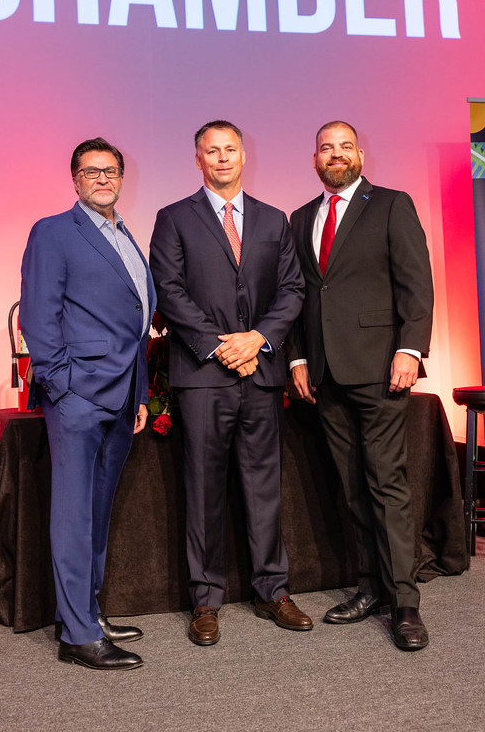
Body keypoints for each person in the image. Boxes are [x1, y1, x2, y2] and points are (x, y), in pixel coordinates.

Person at [149, 121, 312, 645]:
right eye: (212, 151)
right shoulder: (173, 218)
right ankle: (205, 599)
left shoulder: (273, 219)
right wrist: (221, 346)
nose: (222, 158)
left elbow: (292, 289)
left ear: (244, 156)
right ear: (197, 160)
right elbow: (169, 290)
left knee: (265, 488)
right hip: (203, 377)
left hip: (260, 375)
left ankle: (273, 591)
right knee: (203, 489)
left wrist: (258, 338)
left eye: (230, 149)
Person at [288, 121, 434, 651]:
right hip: (325, 373)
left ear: (361, 155)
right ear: (314, 159)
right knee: (351, 488)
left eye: (345, 146)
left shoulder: (392, 204)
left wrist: (410, 349)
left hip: (380, 368)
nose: (336, 154)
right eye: (326, 148)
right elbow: (298, 295)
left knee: (386, 483)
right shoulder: (301, 218)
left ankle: (405, 604)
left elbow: (416, 281)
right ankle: (370, 587)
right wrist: (297, 357)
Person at [20, 136, 156, 670]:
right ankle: (77, 636)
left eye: (110, 171)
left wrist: (139, 392)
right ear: (75, 179)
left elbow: (134, 322)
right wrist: (62, 385)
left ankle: (85, 614)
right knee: (74, 516)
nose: (102, 179)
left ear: (121, 178)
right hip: (78, 398)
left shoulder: (125, 236)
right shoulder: (54, 231)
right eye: (91, 171)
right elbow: (38, 314)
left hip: (122, 396)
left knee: (96, 513)